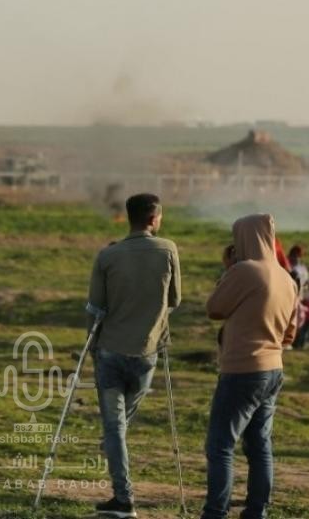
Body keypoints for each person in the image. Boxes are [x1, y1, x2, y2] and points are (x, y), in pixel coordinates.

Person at [86, 193, 181, 518]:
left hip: (109, 350)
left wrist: (90, 346)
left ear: (129, 218)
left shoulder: (107, 256)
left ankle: (123, 498)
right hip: (147, 350)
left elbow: (95, 307)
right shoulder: (168, 249)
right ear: (154, 219)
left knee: (114, 427)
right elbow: (175, 300)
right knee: (121, 423)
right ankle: (114, 448)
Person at [201, 214, 297, 519]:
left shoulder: (244, 271)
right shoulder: (286, 278)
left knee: (220, 445)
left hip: (242, 369)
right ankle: (257, 510)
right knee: (259, 446)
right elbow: (290, 334)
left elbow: (214, 308)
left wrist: (229, 270)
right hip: (273, 369)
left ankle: (215, 512)